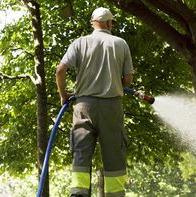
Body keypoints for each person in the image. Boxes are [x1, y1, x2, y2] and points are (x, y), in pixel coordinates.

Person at [56, 7, 134, 197]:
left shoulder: (80, 43)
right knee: (114, 153)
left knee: (81, 152)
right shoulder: (120, 43)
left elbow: (60, 70)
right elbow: (129, 78)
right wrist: (117, 84)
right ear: (108, 23)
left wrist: (63, 95)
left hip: (83, 106)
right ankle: (115, 194)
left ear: (93, 23)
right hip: (112, 106)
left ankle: (79, 193)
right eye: (112, 23)